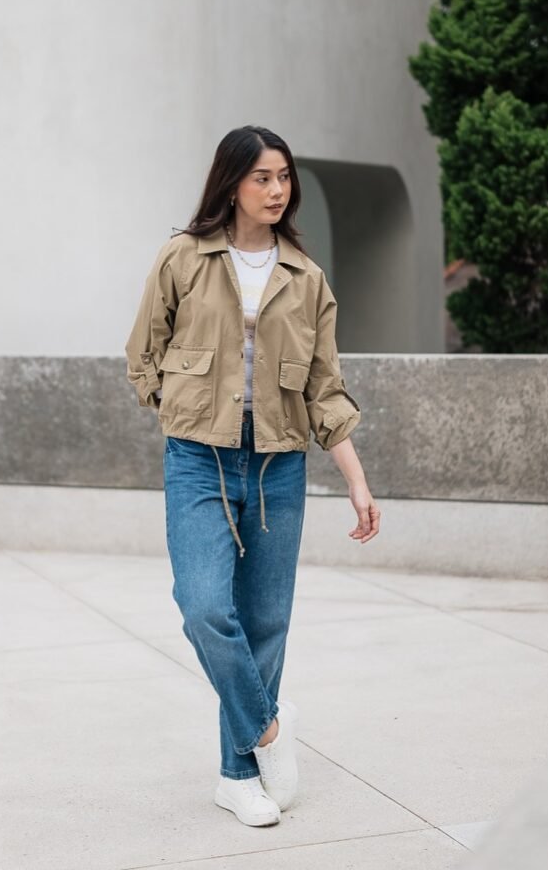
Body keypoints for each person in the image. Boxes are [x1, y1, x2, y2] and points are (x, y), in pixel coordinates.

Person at [125, 125, 380, 828]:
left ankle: (237, 776)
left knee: (266, 621)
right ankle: (267, 726)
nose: (276, 190)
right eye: (262, 177)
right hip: (197, 459)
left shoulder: (305, 277)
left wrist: (355, 479)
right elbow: (142, 352)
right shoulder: (182, 257)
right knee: (204, 606)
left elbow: (324, 389)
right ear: (231, 183)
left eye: (283, 178)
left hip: (278, 465)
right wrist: (175, 408)